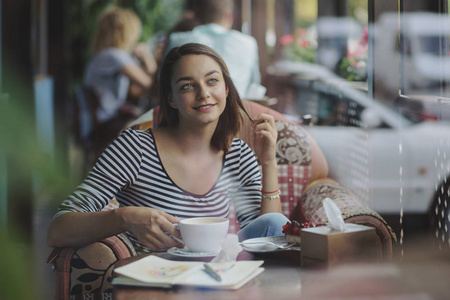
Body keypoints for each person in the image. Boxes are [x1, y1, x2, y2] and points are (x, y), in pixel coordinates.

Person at [48, 43, 288, 254]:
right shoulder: (135, 148)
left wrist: (269, 163)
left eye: (212, 80)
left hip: (221, 279)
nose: (204, 93)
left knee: (277, 224)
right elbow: (58, 229)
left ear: (226, 89)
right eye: (187, 86)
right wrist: (124, 218)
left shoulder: (237, 154)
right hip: (156, 281)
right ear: (171, 98)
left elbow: (267, 236)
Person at [82, 7, 157, 159]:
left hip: (98, 122)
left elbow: (139, 89)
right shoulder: (114, 56)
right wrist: (147, 57)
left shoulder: (103, 56)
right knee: (156, 126)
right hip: (106, 124)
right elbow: (149, 85)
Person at [166, 0, 261, 99]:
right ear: (229, 16)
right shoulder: (248, 43)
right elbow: (254, 86)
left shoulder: (177, 40)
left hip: (189, 110)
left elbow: (164, 82)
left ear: (196, 15)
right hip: (236, 109)